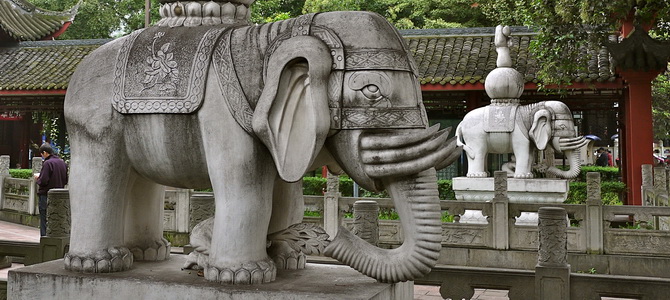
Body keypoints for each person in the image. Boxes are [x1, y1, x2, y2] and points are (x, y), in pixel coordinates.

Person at [34, 143, 68, 236]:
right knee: (57, 219)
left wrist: (38, 179)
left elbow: (44, 181)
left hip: (46, 195)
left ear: (44, 152)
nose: (42, 156)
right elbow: (65, 180)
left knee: (45, 219)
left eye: (41, 154)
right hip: (60, 196)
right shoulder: (62, 162)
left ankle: (44, 239)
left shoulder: (48, 163)